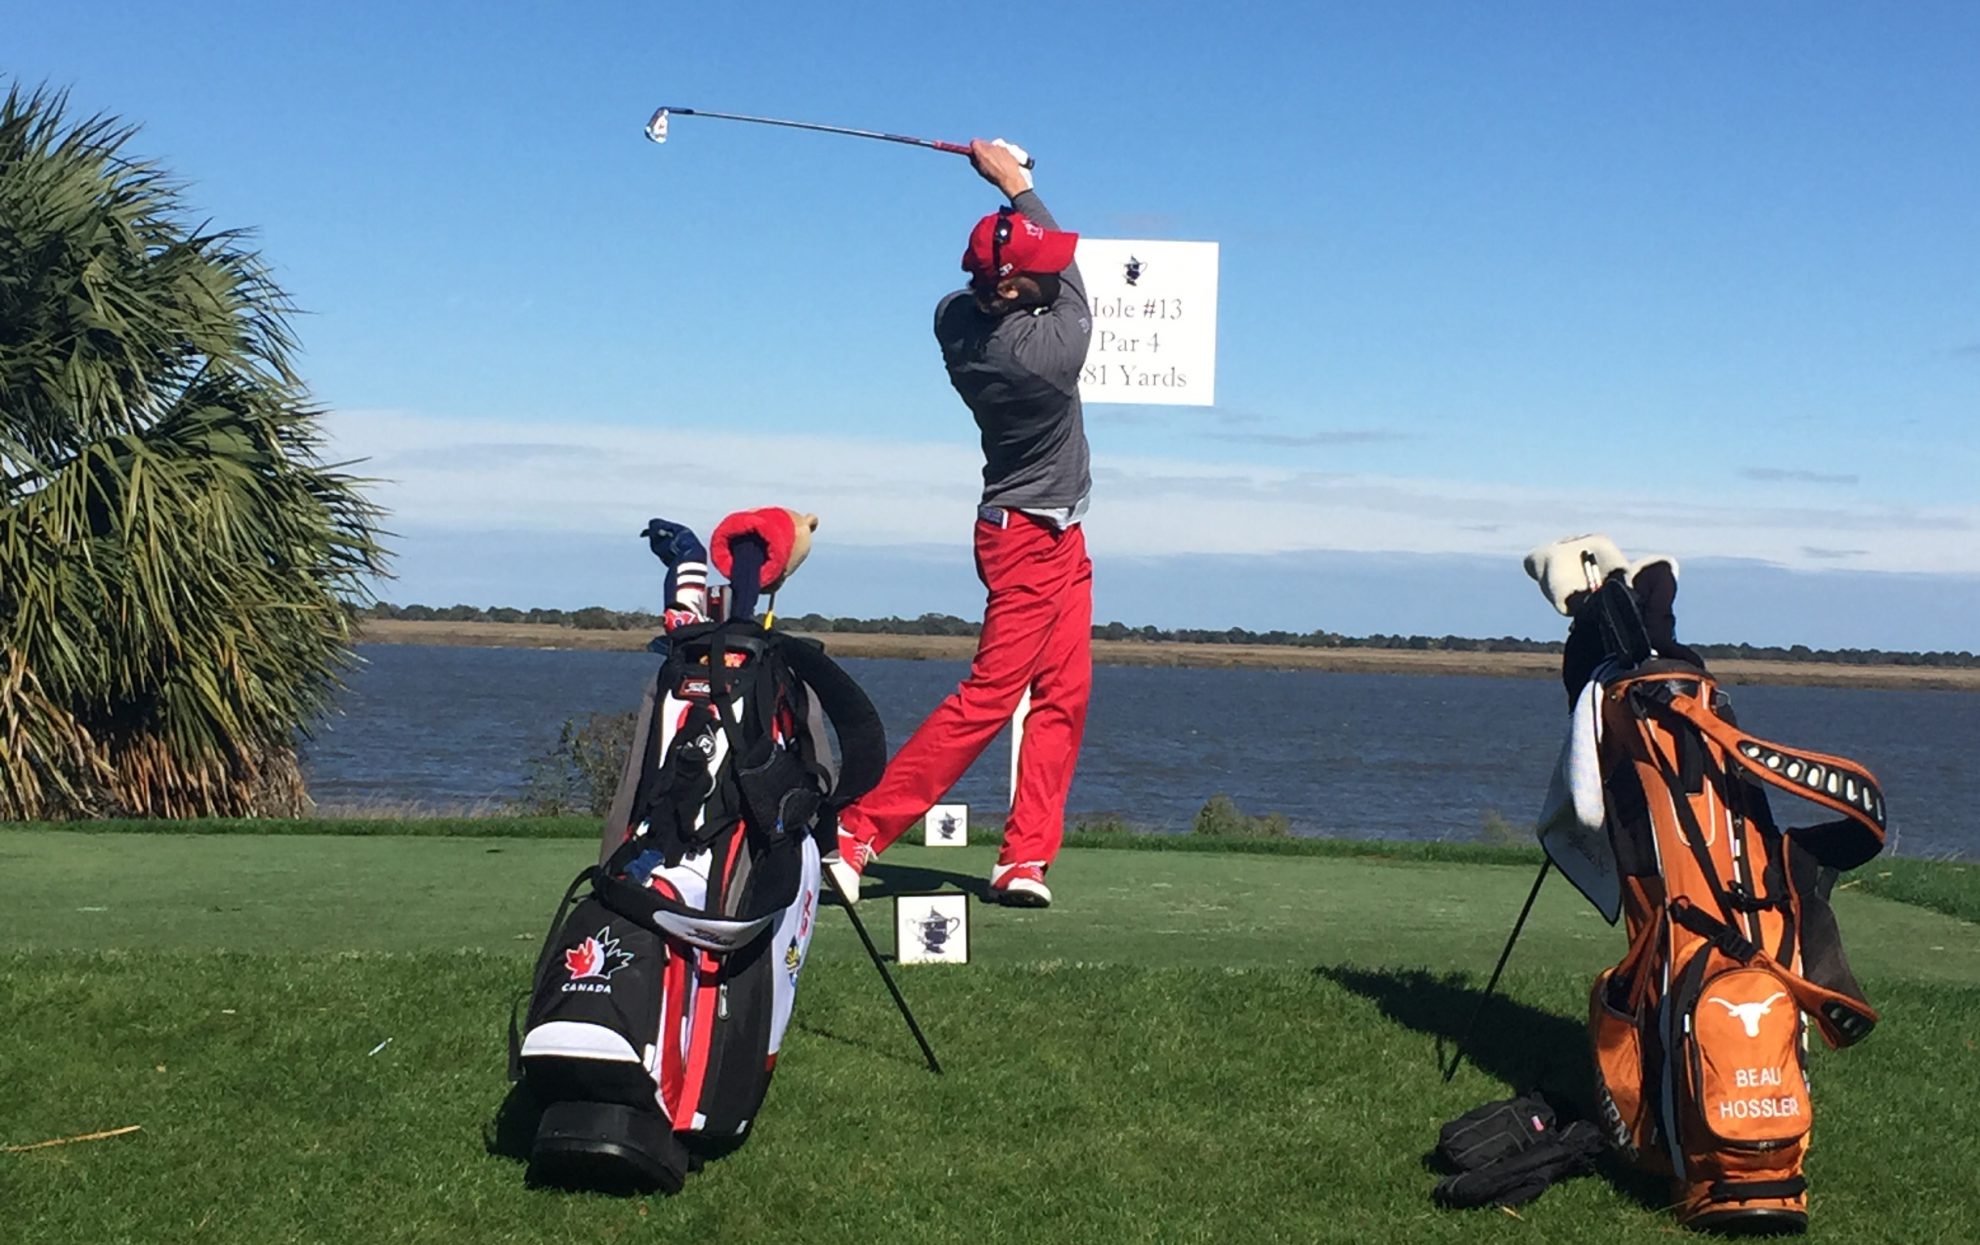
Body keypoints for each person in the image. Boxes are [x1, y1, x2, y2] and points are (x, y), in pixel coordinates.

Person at [825, 137, 1094, 908]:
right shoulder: (1048, 351)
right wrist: (1017, 183)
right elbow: (1076, 290)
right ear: (1014, 292)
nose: (1053, 267)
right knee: (988, 698)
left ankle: (1023, 859)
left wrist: (1012, 203)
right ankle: (859, 831)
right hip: (1028, 540)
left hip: (1055, 533)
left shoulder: (954, 320)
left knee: (1064, 694)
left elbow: (1037, 275)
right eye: (1040, 266)